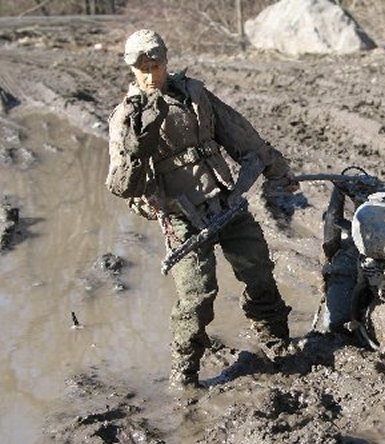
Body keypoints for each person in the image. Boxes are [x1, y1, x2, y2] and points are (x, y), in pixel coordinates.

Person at [106, 29, 297, 390]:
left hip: (226, 201)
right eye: (142, 69)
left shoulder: (195, 94)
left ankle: (276, 343)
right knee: (197, 296)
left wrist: (278, 169)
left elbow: (241, 135)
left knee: (258, 271)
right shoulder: (126, 117)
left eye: (156, 66)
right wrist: (137, 155)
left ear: (166, 61)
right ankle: (184, 372)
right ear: (131, 70)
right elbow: (122, 185)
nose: (150, 75)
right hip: (183, 219)